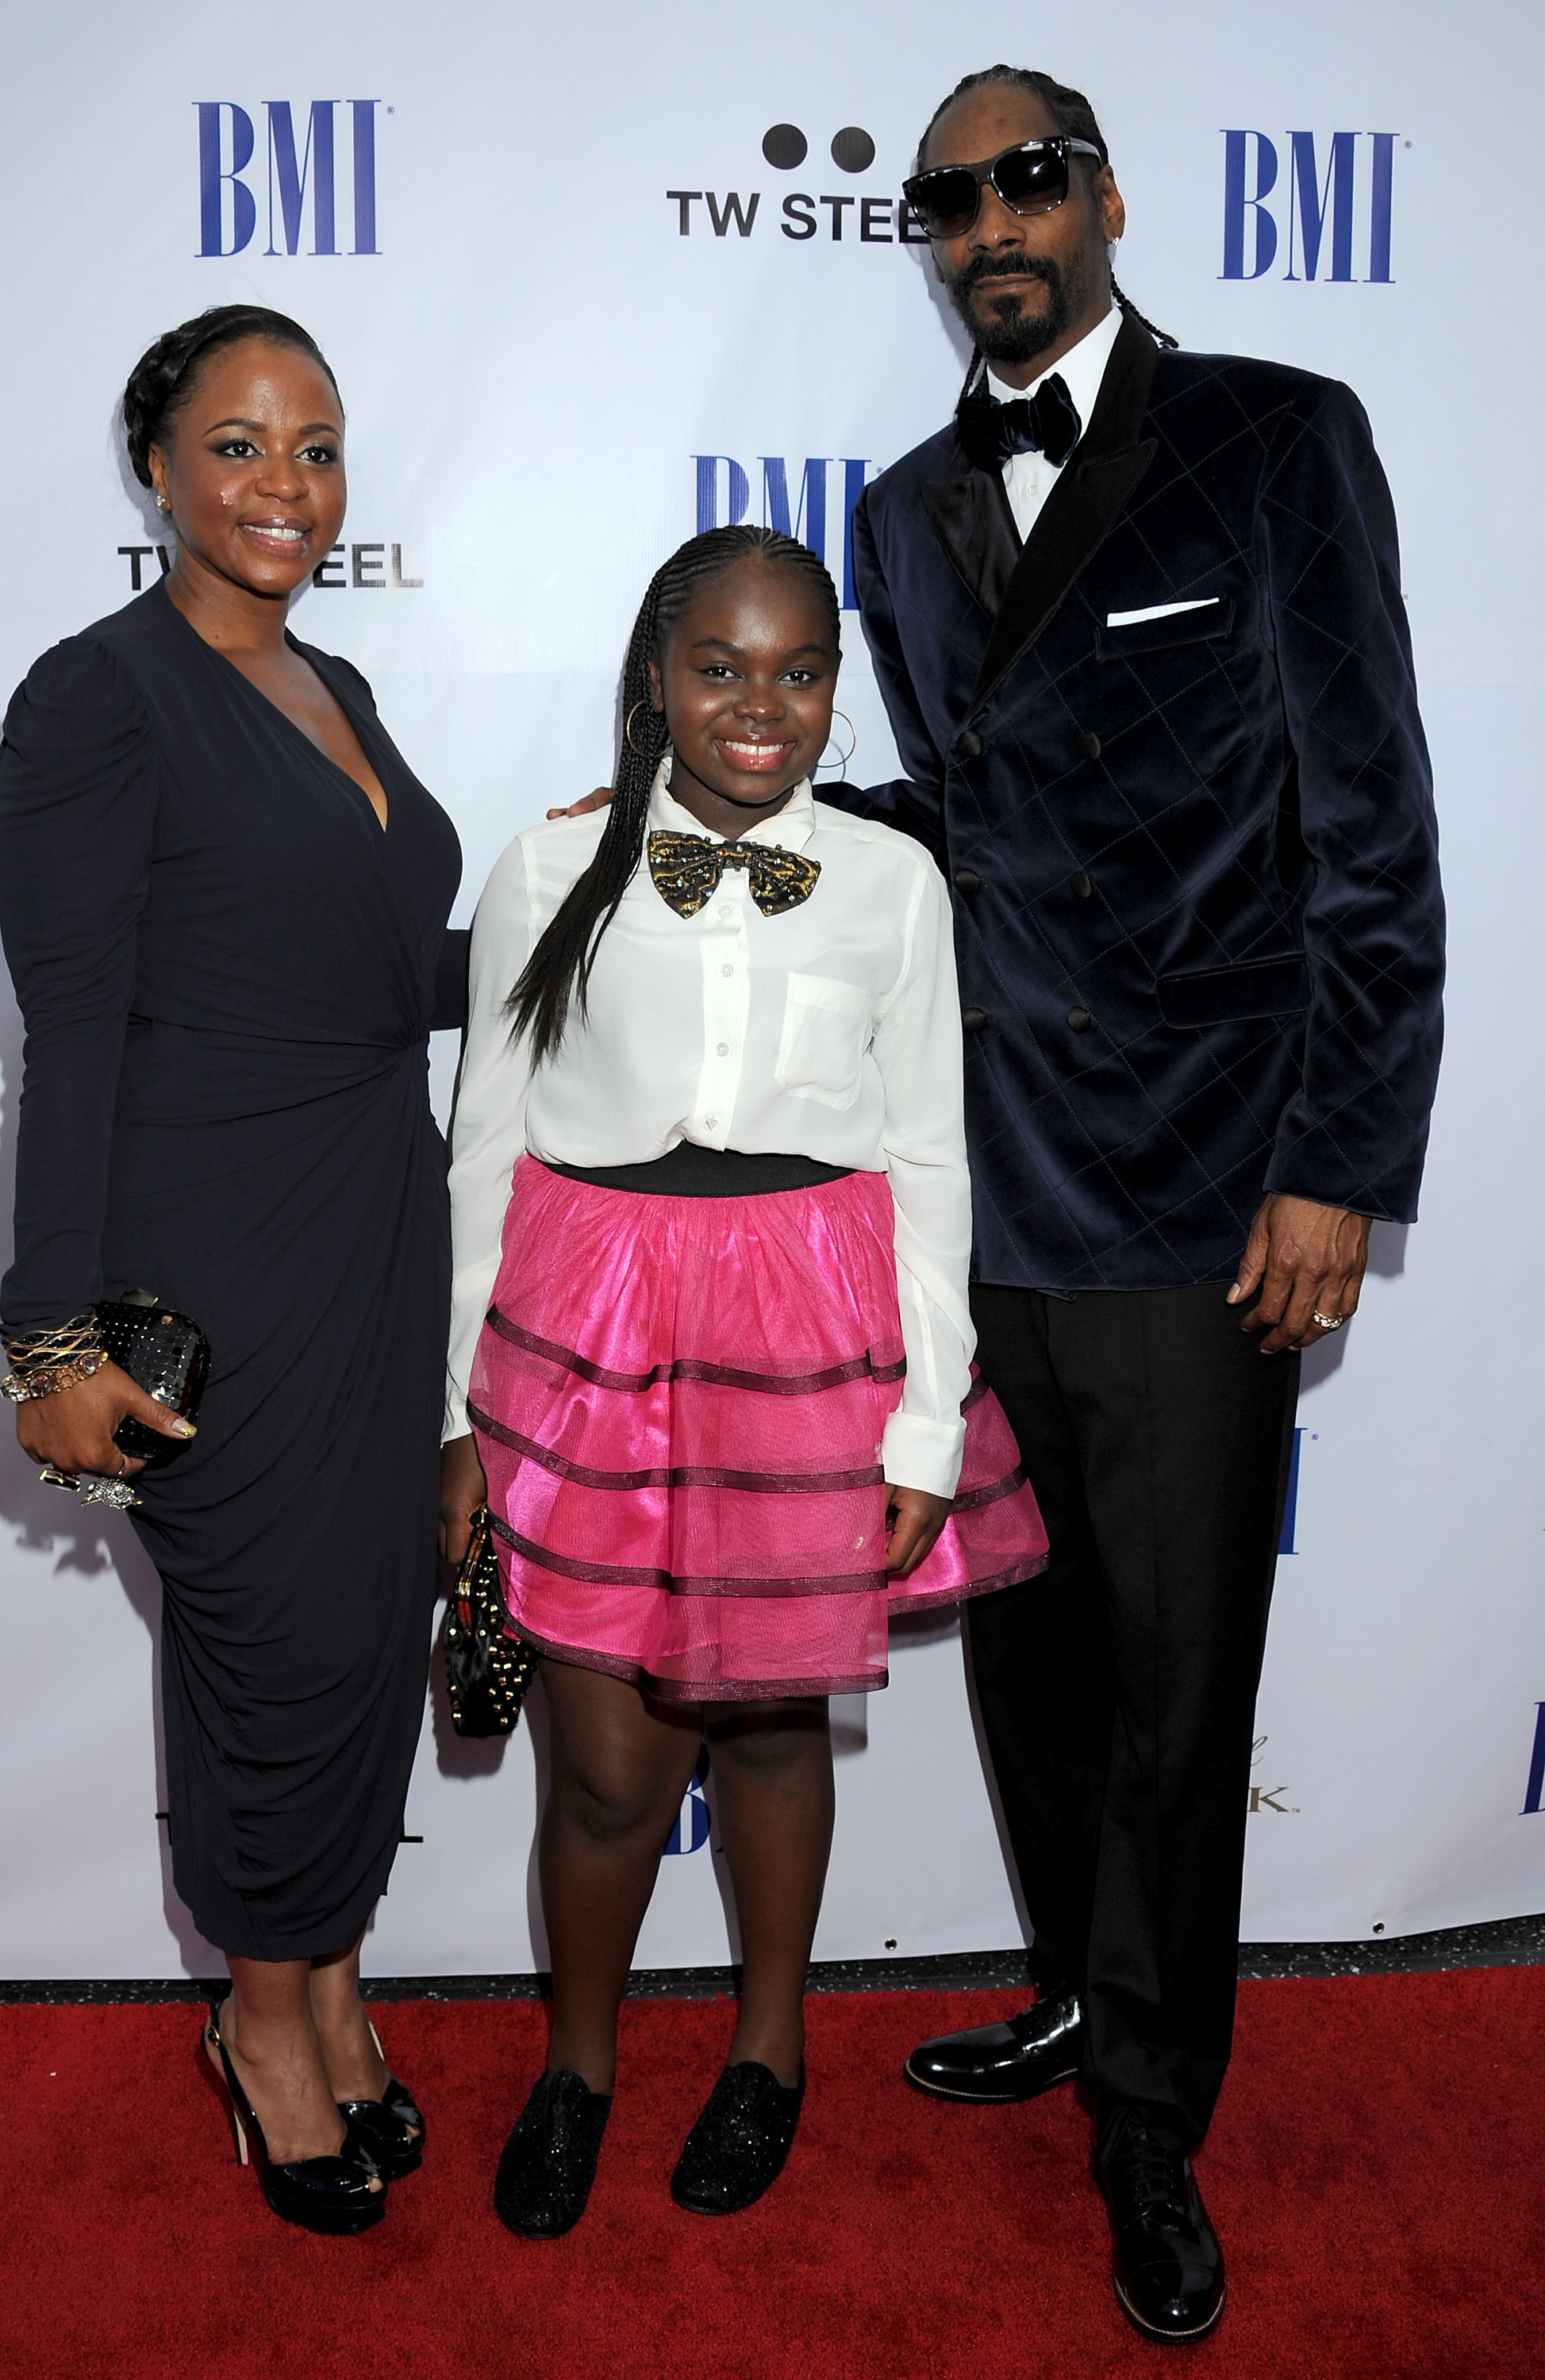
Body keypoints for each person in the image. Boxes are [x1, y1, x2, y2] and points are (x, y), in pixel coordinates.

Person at [839, 63, 1444, 2344]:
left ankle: (1156, 2128)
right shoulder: (901, 516)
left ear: (1101, 196)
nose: (989, 223)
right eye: (949, 200)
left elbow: (1372, 828)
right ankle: (1090, 2003)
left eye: (1025, 180)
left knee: (1189, 1688)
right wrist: (723, 816)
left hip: (1209, 1200)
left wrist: (1340, 1163)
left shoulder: (1280, 437)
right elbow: (971, 817)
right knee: (1039, 1665)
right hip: (987, 1196)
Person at [440, 525, 1047, 2239]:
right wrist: (452, 1415)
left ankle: (769, 2051)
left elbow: (928, 1161)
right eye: (719, 668)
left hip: (810, 1342)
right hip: (589, 1338)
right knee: (612, 1772)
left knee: (777, 1736)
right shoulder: (550, 865)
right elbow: (483, 1146)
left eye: (797, 674)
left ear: (835, 690)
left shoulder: (888, 882)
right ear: (655, 673)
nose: (757, 708)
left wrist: (925, 1415)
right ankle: (577, 2064)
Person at [0, 305, 467, 2235]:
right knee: (273, 1655)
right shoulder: (98, 696)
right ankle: (261, 2029)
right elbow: (75, 1029)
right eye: (241, 446)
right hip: (217, 1250)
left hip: (375, 1215)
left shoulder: (335, 675)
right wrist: (50, 1329)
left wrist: (581, 909)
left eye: (319, 448)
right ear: (157, 466)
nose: (286, 487)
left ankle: (334, 1987)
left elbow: (370, 970)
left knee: (367, 1637)